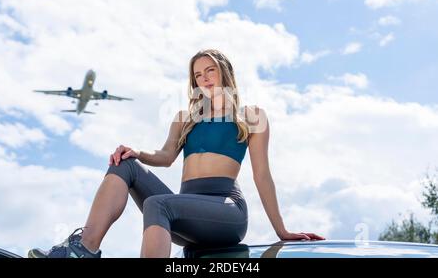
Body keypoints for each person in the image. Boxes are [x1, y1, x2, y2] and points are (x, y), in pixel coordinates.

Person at [28, 49, 325, 258]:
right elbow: (166, 156)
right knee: (125, 165)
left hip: (225, 212)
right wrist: (137, 152)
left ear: (225, 72)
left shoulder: (251, 115)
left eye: (211, 70)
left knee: (159, 204)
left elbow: (262, 175)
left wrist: (282, 230)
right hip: (184, 212)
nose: (205, 78)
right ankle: (84, 250)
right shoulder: (186, 117)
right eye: (198, 75)